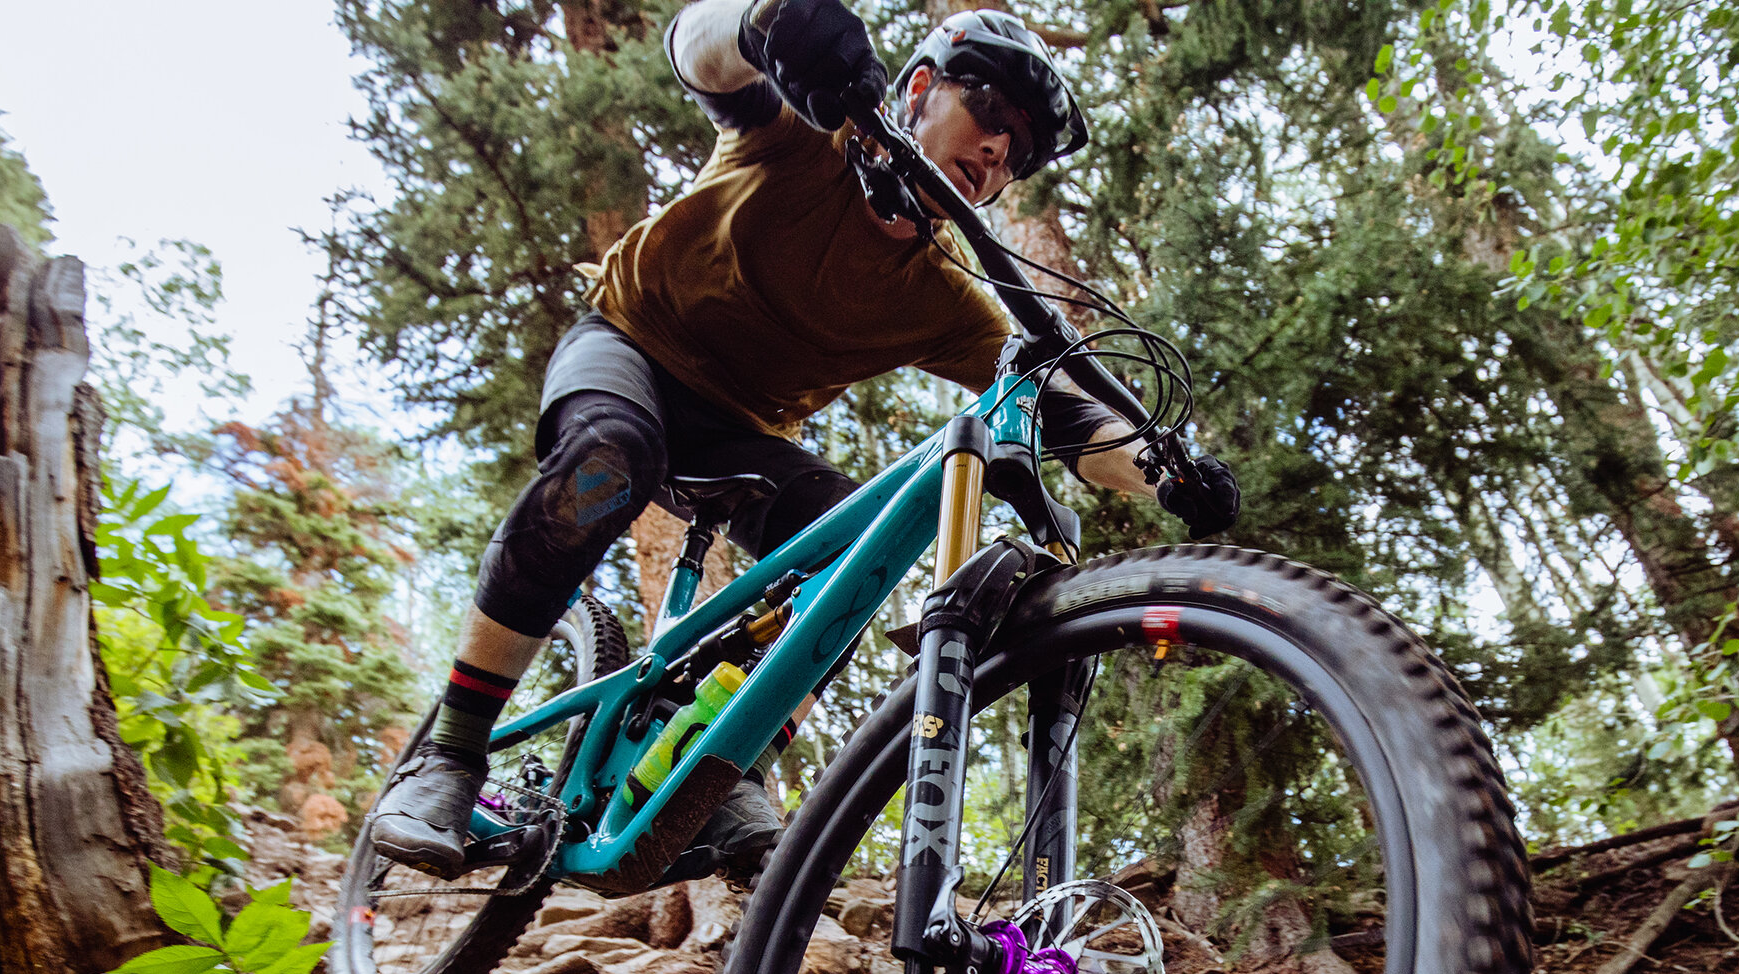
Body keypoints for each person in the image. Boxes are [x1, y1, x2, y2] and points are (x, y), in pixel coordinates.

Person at [369, 0, 1240, 880]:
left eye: (1018, 151)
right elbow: (700, 53)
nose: (998, 152)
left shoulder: (939, 294)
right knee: (607, 459)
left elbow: (1075, 422)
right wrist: (767, 22)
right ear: (922, 86)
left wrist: (1165, 476)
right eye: (990, 114)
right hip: (629, 345)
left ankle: (708, 762)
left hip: (735, 433)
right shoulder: (803, 135)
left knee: (856, 551)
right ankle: (448, 755)